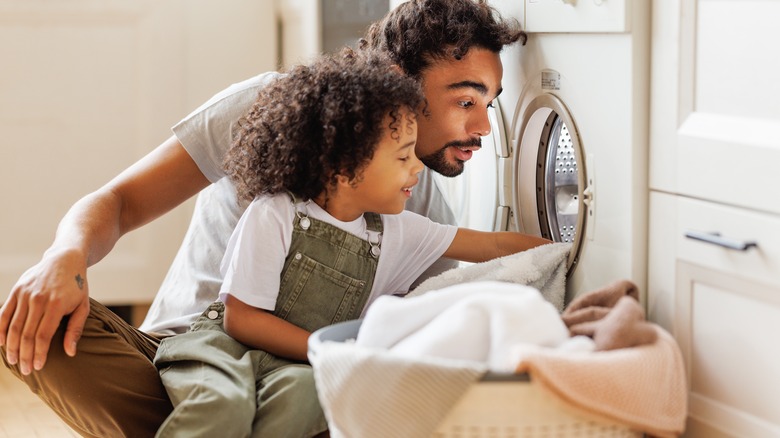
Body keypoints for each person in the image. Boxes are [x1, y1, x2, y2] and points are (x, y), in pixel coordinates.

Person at [0, 0, 528, 436]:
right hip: (184, 354)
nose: (483, 126)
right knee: (34, 327)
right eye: (465, 100)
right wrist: (63, 256)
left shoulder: (415, 200)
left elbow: (431, 320)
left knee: (313, 403)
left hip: (291, 380)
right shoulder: (271, 108)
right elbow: (121, 201)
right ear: (399, 81)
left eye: (492, 104)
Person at [154, 48, 549, 438]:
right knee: (224, 404)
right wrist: (327, 349)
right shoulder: (275, 213)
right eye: (403, 156)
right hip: (223, 349)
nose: (417, 167)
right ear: (345, 168)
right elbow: (239, 317)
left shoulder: (397, 228)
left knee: (307, 398)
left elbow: (493, 245)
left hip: (292, 364)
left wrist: (566, 249)